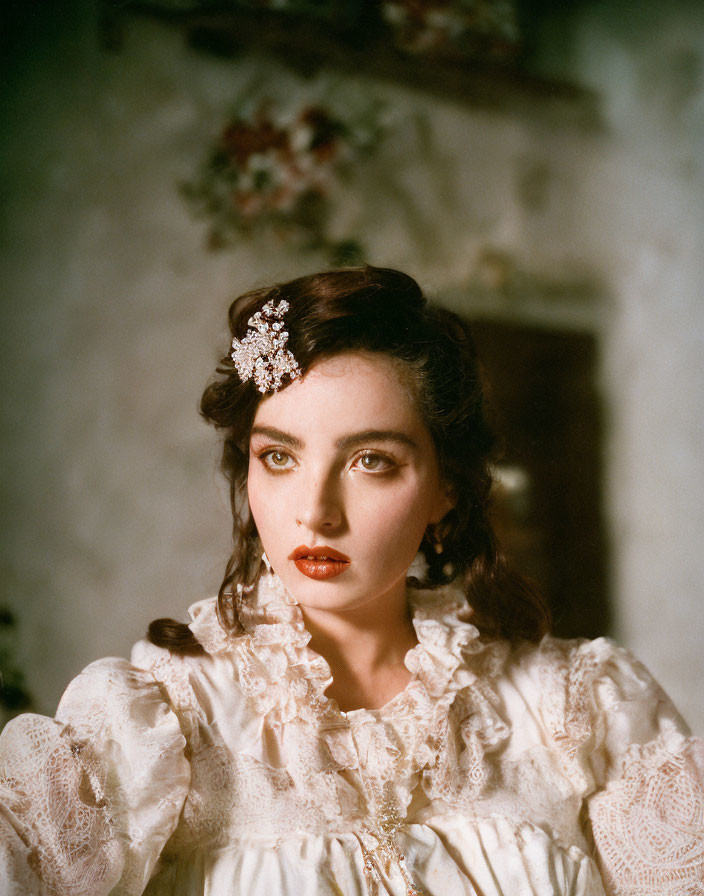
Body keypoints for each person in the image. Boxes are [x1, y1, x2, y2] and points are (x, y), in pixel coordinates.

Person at [1, 266, 702, 896]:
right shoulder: (164, 724)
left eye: (371, 461)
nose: (315, 511)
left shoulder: (582, 712)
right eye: (279, 457)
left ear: (445, 489)